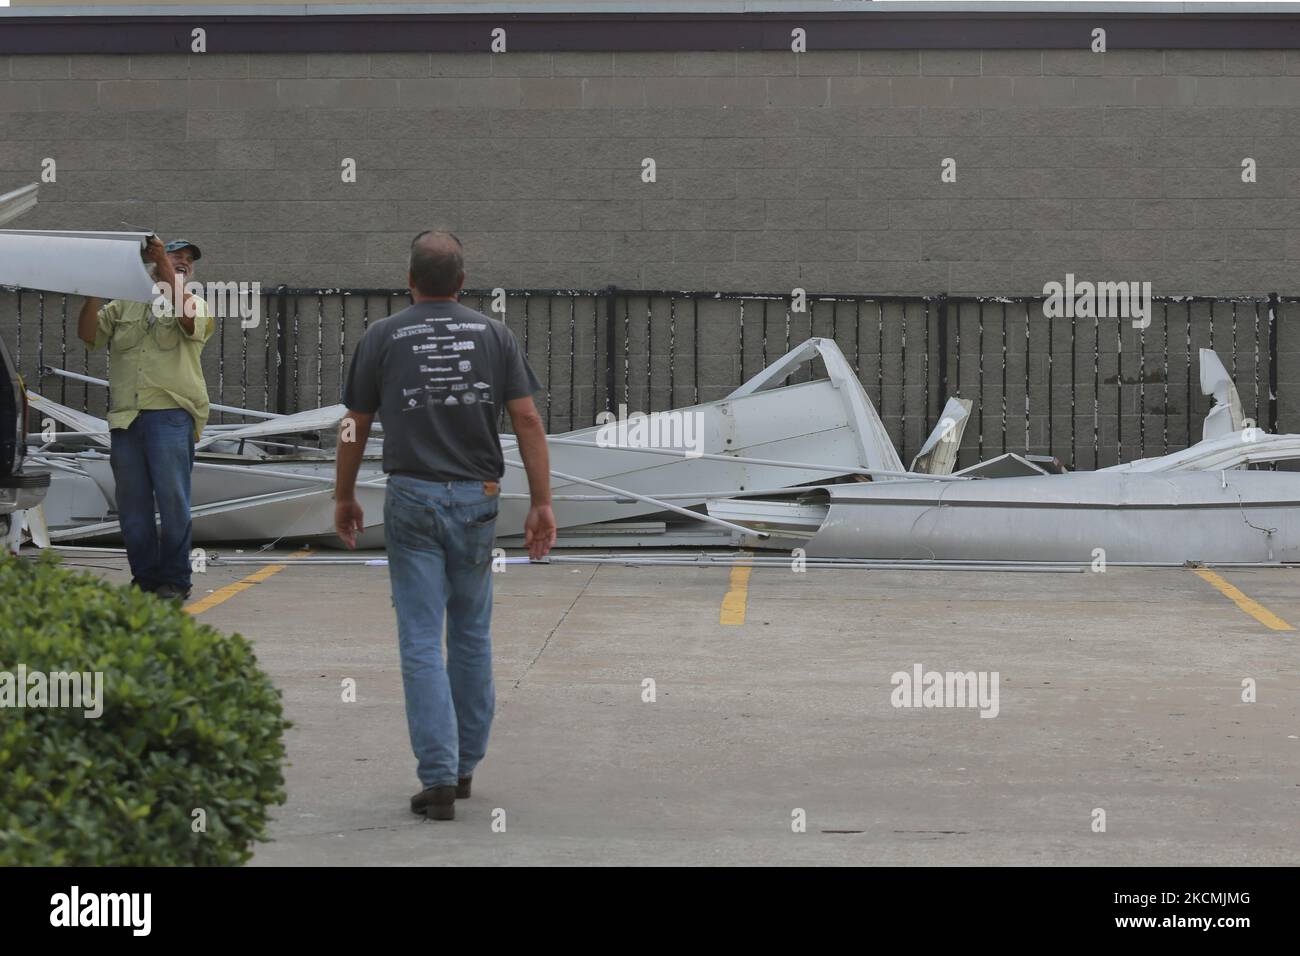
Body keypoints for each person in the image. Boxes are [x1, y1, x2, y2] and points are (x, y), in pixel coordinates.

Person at [335, 230, 557, 821]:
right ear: (462, 283)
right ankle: (462, 767)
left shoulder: (381, 337)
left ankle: (435, 776)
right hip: (478, 500)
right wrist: (541, 502)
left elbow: (354, 423)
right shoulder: (494, 335)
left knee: (419, 638)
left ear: (409, 281)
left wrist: (344, 495)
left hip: (412, 498)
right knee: (470, 634)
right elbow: (528, 419)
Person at [77, 237, 211, 602]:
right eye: (175, 256)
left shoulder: (195, 303)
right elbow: (89, 335)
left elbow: (185, 320)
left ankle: (175, 581)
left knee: (172, 503)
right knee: (133, 508)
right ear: (152, 261)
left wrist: (164, 265)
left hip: (170, 415)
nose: (182, 261)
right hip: (126, 418)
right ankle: (145, 580)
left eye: (188, 259)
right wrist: (92, 292)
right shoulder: (124, 304)